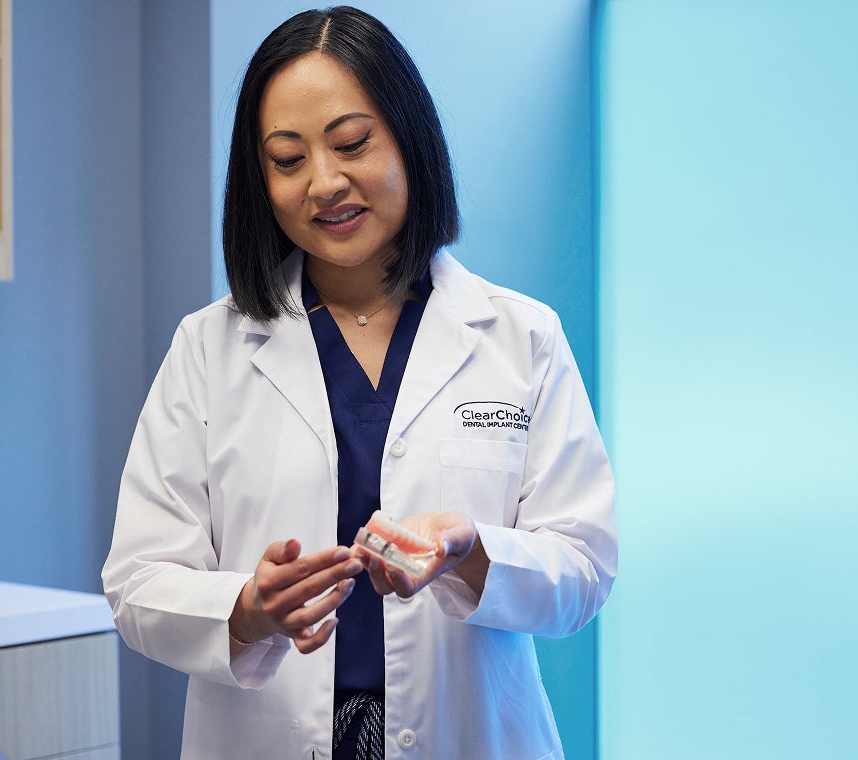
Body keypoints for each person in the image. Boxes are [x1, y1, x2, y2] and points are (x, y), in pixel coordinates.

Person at [101, 6, 617, 759]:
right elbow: (137, 582)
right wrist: (246, 607)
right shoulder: (208, 348)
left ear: (409, 138)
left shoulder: (521, 337)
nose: (324, 183)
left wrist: (473, 553)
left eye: (351, 143)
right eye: (286, 160)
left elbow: (583, 570)